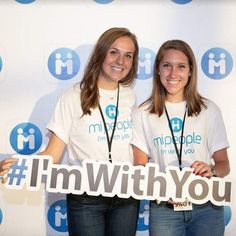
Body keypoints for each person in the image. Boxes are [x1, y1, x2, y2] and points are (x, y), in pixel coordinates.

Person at [0, 27, 140, 236]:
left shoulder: (131, 98)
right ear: (101, 54)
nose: (121, 61)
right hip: (86, 197)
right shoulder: (73, 96)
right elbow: (53, 154)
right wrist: (24, 165)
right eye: (114, 52)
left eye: (128, 55)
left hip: (126, 196)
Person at [131, 39, 230, 236]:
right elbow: (140, 169)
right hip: (164, 208)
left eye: (181, 66)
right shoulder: (143, 112)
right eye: (167, 65)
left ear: (191, 71)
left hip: (207, 207)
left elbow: (224, 165)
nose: (173, 74)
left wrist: (211, 170)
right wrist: (159, 189)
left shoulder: (209, 110)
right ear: (158, 70)